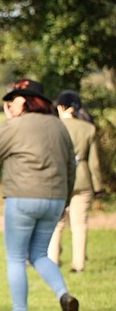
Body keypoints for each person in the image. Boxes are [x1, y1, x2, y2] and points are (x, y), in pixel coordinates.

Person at [0, 79, 80, 311]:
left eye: (12, 101)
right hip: (55, 199)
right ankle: (64, 295)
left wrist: (9, 120)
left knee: (16, 258)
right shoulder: (59, 127)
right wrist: (65, 200)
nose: (9, 105)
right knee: (39, 254)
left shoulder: (17, 125)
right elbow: (71, 165)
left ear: (24, 102)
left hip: (22, 197)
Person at [48, 90, 104, 273]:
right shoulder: (88, 129)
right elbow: (94, 162)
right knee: (79, 224)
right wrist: (98, 186)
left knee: (56, 223)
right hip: (83, 180)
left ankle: (52, 260)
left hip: (58, 179)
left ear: (61, 107)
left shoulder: (53, 127)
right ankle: (78, 265)